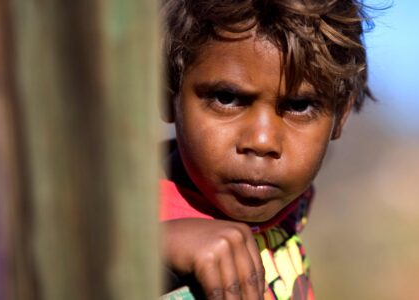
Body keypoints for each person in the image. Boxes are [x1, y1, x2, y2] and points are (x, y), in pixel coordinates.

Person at [160, 0, 374, 299]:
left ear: (340, 117)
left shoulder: (288, 206)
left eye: (300, 106)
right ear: (167, 97)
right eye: (226, 98)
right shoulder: (131, 223)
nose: (262, 141)